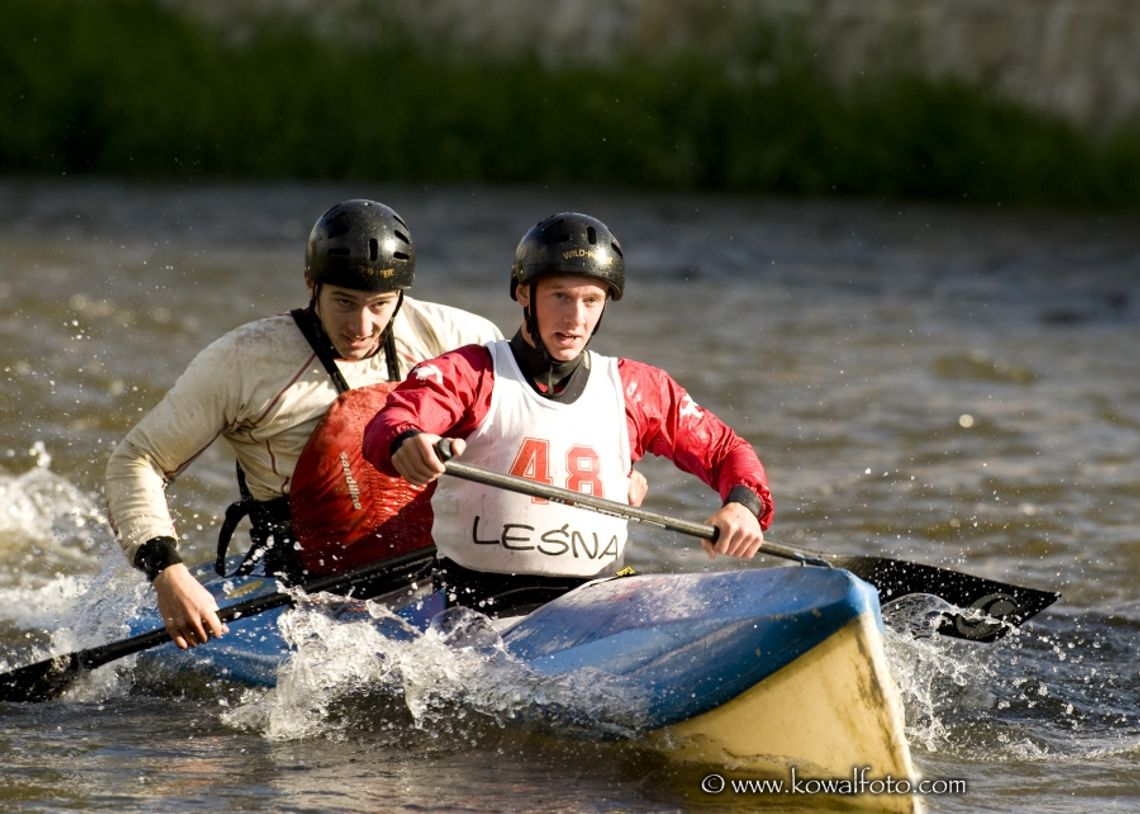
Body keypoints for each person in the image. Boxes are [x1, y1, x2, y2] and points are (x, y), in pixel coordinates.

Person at [104, 199, 503, 651]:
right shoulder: (242, 361)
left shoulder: (462, 340)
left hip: (440, 564)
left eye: (380, 305)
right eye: (344, 302)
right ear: (311, 285)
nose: (362, 325)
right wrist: (167, 573)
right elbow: (138, 461)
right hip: (309, 583)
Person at [362, 212, 773, 615]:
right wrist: (406, 442)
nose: (575, 318)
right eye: (560, 295)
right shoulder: (471, 372)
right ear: (524, 293)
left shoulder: (636, 388)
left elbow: (725, 451)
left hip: (596, 605)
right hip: (480, 608)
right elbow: (390, 422)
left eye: (591, 300)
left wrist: (742, 506)